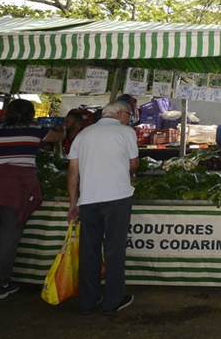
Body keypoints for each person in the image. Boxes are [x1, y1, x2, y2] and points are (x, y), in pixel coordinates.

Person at [0, 99, 65, 301]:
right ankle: (3, 285)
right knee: (9, 238)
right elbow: (58, 136)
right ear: (31, 114)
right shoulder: (35, 130)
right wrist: (63, 127)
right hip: (17, 190)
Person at [68, 100, 139, 316]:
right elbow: (134, 164)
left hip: (88, 201)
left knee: (89, 251)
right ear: (118, 114)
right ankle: (112, 302)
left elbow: (73, 172)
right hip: (117, 199)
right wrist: (127, 173)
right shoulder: (126, 132)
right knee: (114, 251)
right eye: (128, 114)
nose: (129, 119)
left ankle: (88, 302)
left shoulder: (83, 135)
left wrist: (73, 203)